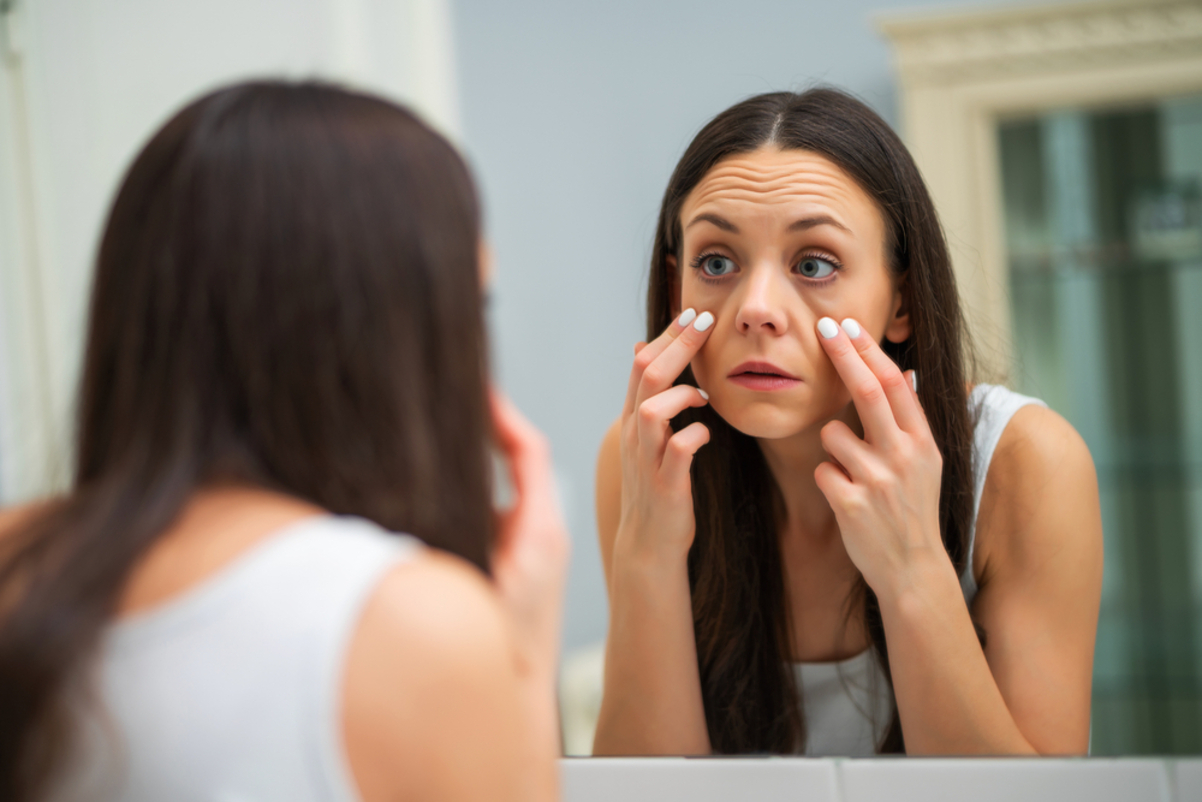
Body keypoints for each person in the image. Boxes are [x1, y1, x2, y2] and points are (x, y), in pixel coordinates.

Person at [0, 81, 567, 801]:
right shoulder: (415, 626)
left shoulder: (14, 559)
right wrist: (523, 649)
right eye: (472, 303)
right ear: (401, 328)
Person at [593, 88, 1103, 756]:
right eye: (716, 263)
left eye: (814, 265)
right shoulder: (646, 459)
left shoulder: (1025, 463)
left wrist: (913, 567)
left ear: (902, 302)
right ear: (675, 290)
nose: (757, 309)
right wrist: (648, 557)